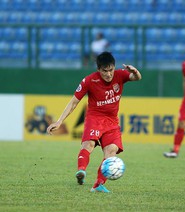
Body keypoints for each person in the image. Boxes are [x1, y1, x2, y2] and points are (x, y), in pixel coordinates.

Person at [47, 51, 142, 193]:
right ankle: (81, 171)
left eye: (111, 70)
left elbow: (136, 78)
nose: (109, 74)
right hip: (95, 118)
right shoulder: (89, 80)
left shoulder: (120, 75)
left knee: (111, 151)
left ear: (114, 67)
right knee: (89, 144)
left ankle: (98, 185)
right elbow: (74, 102)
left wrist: (136, 71)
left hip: (112, 122)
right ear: (98, 69)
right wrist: (59, 121)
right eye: (105, 71)